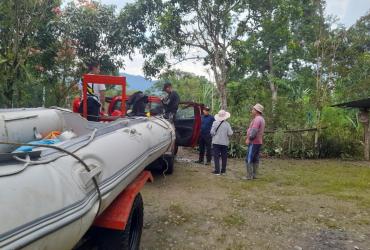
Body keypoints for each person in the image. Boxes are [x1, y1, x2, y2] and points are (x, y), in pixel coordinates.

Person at [244, 103, 266, 180]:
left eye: (253, 109)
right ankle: (255, 175)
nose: (252, 110)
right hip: (259, 142)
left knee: (249, 158)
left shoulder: (257, 119)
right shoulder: (261, 119)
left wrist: (249, 139)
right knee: (255, 158)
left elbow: (254, 131)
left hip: (254, 142)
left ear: (256, 111)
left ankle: (249, 176)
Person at [210, 110, 233, 175]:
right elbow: (230, 133)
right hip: (224, 143)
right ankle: (223, 171)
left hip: (216, 142)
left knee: (216, 156)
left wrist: (215, 134)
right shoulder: (227, 124)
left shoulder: (215, 123)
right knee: (224, 157)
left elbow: (212, 132)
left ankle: (217, 171)